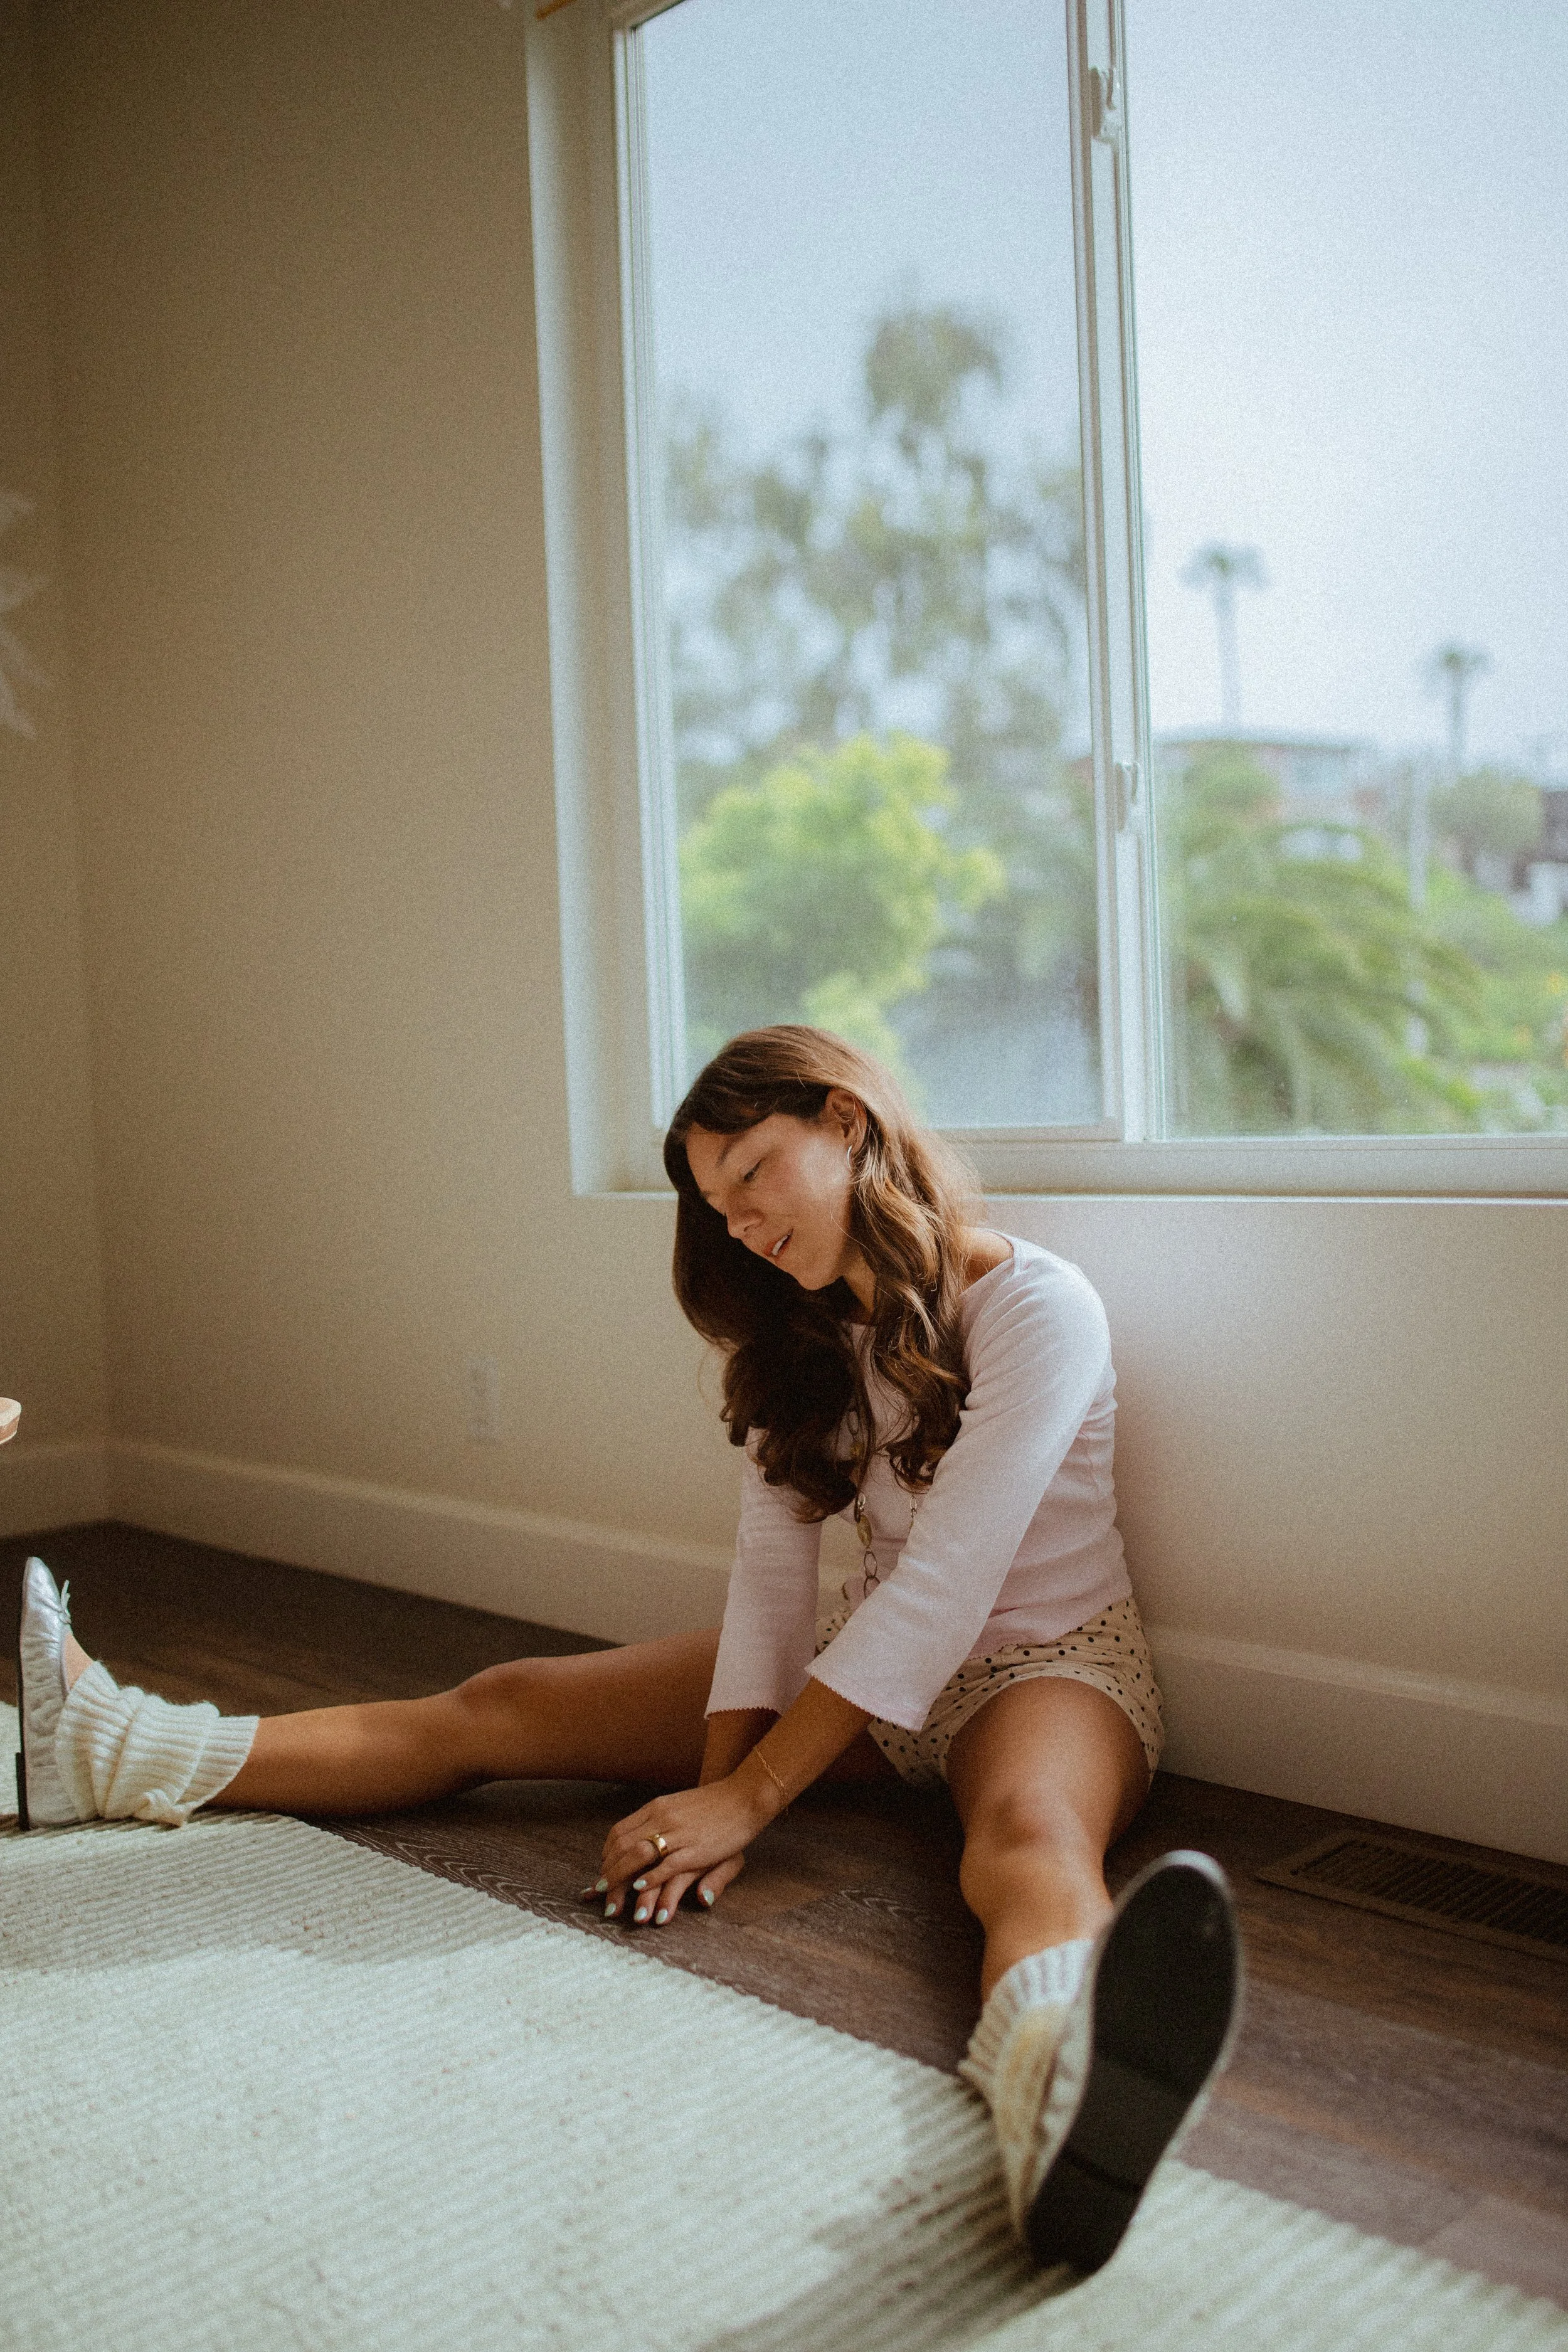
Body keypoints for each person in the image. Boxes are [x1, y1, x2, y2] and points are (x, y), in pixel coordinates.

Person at [13, 1025, 1239, 2277]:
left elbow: (949, 1583)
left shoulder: (1036, 1305)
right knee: (510, 1700)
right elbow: (771, 1580)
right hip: (867, 1667)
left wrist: (752, 1800)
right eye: (718, 1205)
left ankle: (1058, 2098)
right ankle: (114, 1750)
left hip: (1042, 1667)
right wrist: (710, 1787)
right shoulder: (809, 1336)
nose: (743, 1226)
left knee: (1027, 1835)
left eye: (754, 1173)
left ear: (845, 1122)